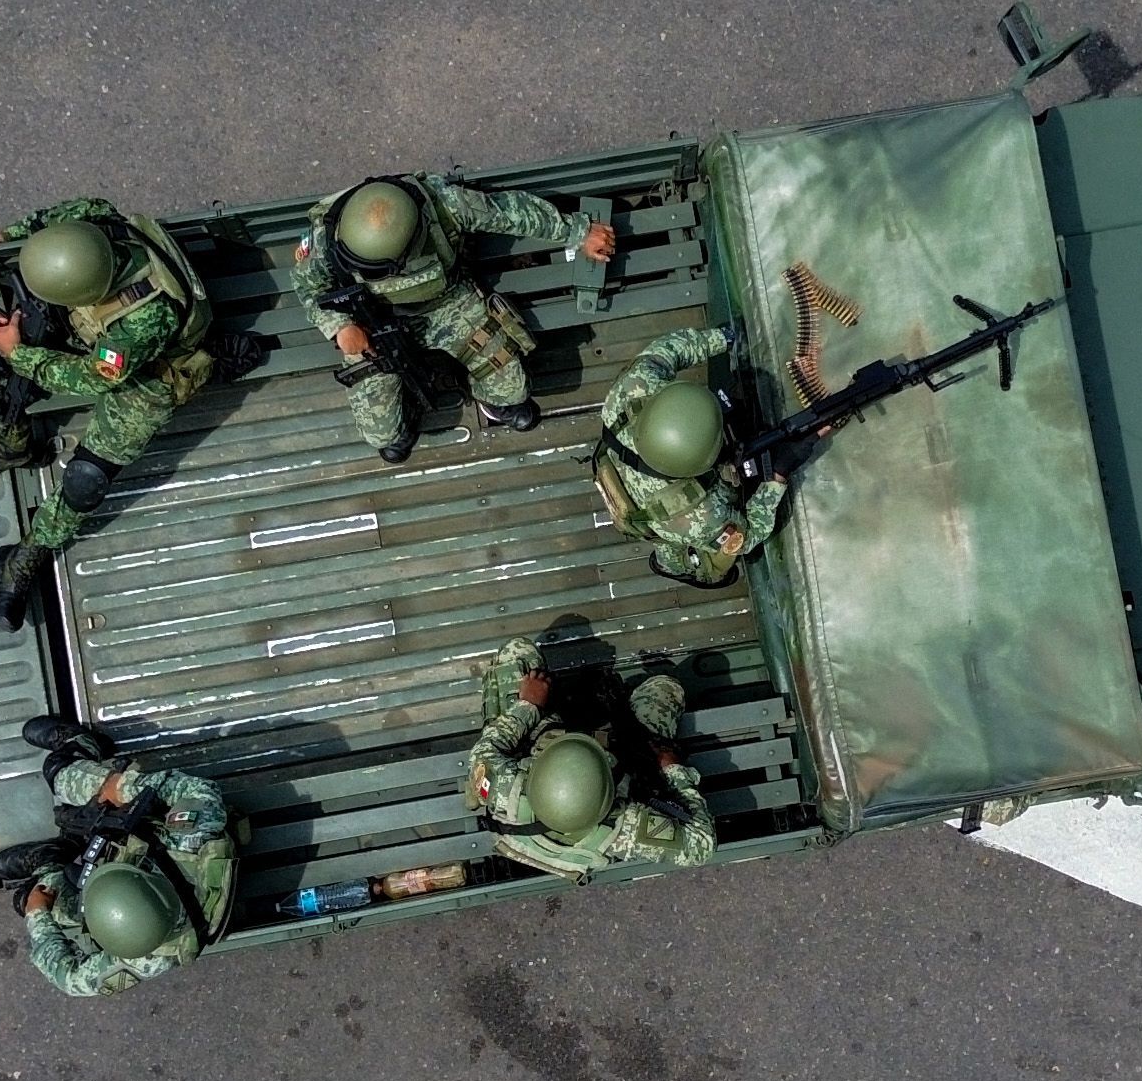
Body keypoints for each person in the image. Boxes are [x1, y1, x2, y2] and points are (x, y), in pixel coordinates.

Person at [0, 200, 260, 629]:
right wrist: (6, 239)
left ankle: (24, 558)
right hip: (94, 327)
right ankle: (14, 447)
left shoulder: (148, 315)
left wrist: (19, 352)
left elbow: (96, 378)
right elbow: (52, 219)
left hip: (152, 372)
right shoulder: (90, 222)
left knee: (86, 480)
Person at [293, 175, 617, 464]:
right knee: (382, 437)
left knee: (513, 390)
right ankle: (404, 414)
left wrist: (577, 231)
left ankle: (491, 403)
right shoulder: (326, 236)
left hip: (448, 303)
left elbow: (511, 212)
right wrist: (340, 327)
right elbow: (308, 286)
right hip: (372, 323)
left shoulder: (443, 205)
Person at [0, 716, 237, 997]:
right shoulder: (189, 844)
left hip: (126, 855)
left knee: (28, 899)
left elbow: (71, 979)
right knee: (58, 773)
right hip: (140, 834)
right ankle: (81, 745)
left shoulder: (145, 954)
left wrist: (37, 914)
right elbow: (201, 791)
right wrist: (124, 788)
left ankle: (52, 861)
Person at [462, 636, 715, 881]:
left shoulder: (506, 788)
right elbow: (700, 847)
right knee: (666, 688)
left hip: (544, 745)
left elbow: (484, 751)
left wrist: (528, 705)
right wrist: (674, 771)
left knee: (517, 650)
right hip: (621, 754)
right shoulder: (622, 828)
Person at [592, 325, 788, 588]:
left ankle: (666, 555)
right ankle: (675, 567)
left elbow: (670, 350)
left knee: (667, 534)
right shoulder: (700, 518)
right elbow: (748, 534)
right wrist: (776, 479)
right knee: (715, 568)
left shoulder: (633, 387)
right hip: (662, 515)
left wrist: (722, 338)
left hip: (620, 472)